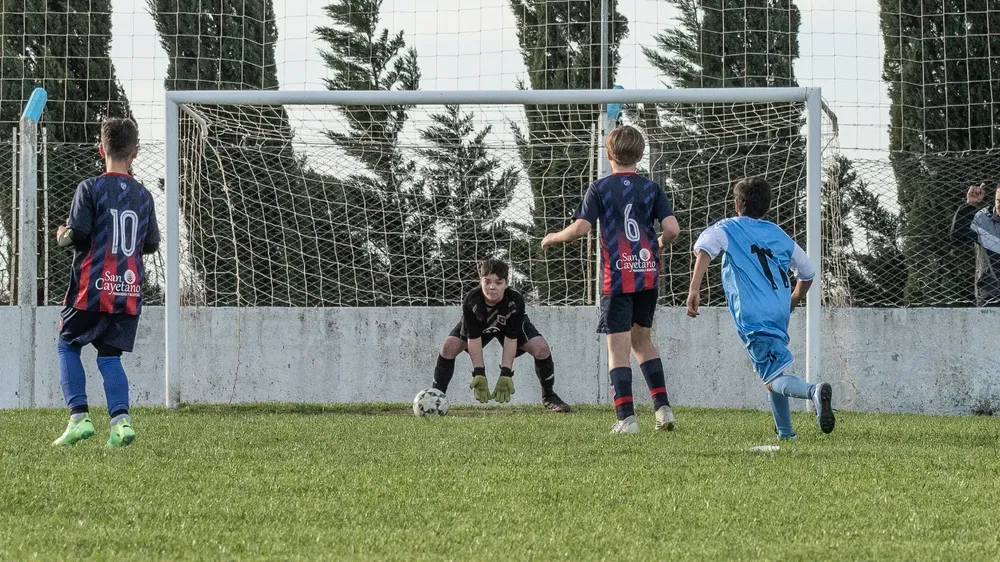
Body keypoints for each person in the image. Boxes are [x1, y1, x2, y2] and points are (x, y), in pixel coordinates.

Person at [541, 125, 680, 434]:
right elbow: (673, 230)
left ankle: (626, 418)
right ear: (640, 155)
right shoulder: (651, 188)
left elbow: (580, 229)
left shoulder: (600, 188)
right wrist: (658, 243)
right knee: (643, 342)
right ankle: (663, 410)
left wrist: (553, 236)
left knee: (618, 349)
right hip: (647, 274)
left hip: (617, 277)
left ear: (608, 155)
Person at [686, 177, 834, 440]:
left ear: (736, 205)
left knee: (771, 378)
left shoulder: (728, 228)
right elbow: (808, 272)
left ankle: (812, 391)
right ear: (767, 206)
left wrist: (695, 288)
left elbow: (706, 248)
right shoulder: (778, 234)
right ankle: (786, 433)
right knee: (774, 370)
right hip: (778, 312)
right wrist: (793, 300)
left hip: (753, 315)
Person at [52, 117, 160, 447]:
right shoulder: (143, 196)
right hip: (126, 293)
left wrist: (61, 236)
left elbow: (79, 233)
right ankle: (121, 424)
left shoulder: (91, 188)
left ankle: (79, 418)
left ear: (101, 149)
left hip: (91, 289)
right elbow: (152, 244)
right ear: (136, 152)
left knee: (67, 344)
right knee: (109, 357)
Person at [431, 258, 571, 412]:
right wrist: (479, 373)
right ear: (480, 281)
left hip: (507, 329)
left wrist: (506, 373)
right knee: (448, 346)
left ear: (506, 283)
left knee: (541, 348)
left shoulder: (515, 300)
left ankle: (549, 396)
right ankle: (436, 396)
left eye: (498, 282)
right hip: (480, 329)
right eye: (487, 282)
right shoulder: (472, 300)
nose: (492, 287)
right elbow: (473, 338)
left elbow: (511, 339)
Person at [950, 183, 1000, 307]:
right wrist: (970, 205)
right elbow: (957, 236)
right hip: (991, 296)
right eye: (998, 200)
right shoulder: (983, 218)